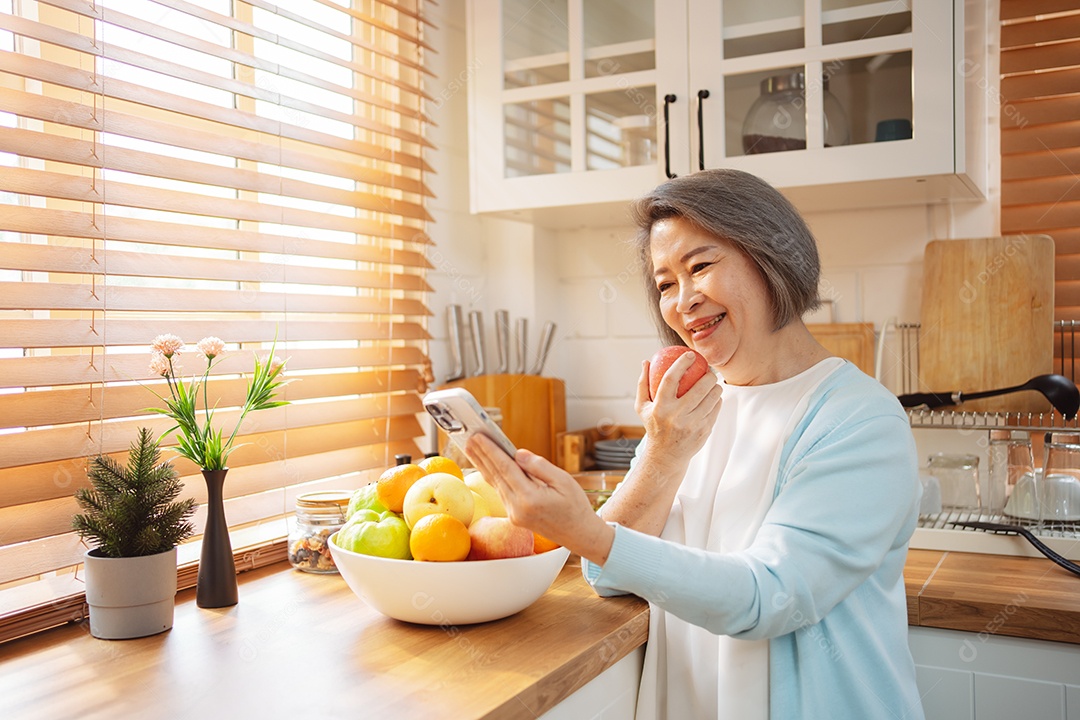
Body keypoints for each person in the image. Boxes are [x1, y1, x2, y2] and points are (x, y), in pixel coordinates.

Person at [465, 168, 924, 720]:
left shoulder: (857, 417)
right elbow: (607, 574)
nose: (682, 300)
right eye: (664, 284)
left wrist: (584, 530)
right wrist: (662, 454)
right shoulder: (688, 410)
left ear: (771, 256)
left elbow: (768, 597)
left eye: (700, 266)